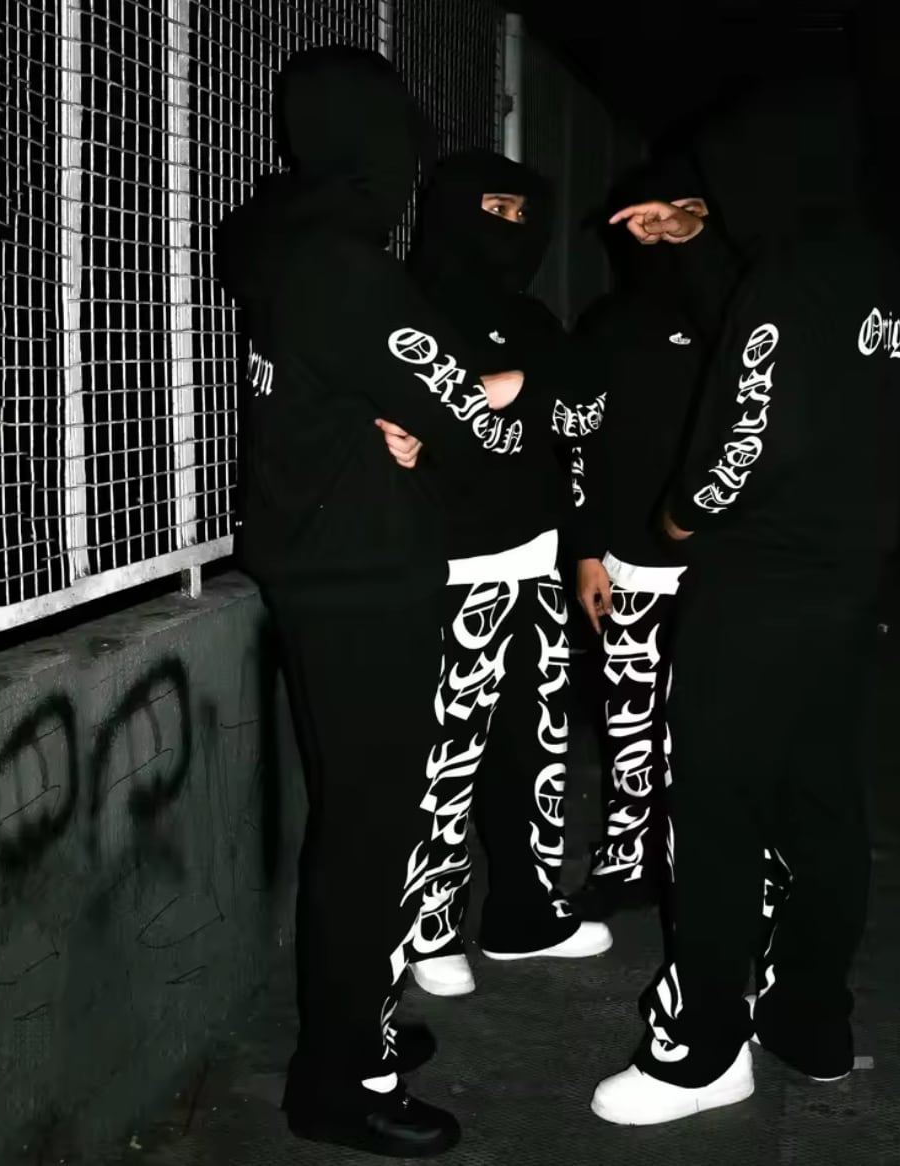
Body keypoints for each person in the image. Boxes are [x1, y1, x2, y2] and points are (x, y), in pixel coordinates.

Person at [217, 47, 530, 1158]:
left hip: (319, 565)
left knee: (357, 820)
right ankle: (339, 1080)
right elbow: (476, 426)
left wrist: (411, 415)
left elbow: (385, 397)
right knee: (371, 831)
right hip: (361, 578)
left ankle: (357, 1025)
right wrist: (515, 385)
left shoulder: (281, 248)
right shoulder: (348, 270)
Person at [590, 77, 900, 1125]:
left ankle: (701, 1052)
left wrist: (681, 514)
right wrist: (694, 245)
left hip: (757, 586)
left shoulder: (785, 275)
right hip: (842, 586)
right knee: (822, 807)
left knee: (714, 815)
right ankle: (810, 1022)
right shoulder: (872, 266)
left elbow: (748, 430)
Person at [377, 150, 612, 1000]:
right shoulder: (404, 308)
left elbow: (585, 412)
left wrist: (506, 385)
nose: (513, 229)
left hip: (536, 561)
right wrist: (513, 388)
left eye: (523, 215)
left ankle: (524, 914)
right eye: (496, 209)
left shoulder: (529, 317)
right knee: (444, 762)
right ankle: (431, 931)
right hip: (449, 569)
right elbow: (400, 419)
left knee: (533, 751)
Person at [566, 157, 714, 921]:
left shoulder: (741, 314)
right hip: (630, 560)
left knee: (713, 728)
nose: (657, 235)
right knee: (628, 724)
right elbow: (581, 443)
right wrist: (586, 550)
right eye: (642, 223)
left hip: (727, 565)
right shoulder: (609, 323)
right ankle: (626, 860)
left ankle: (710, 868)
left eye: (680, 216)